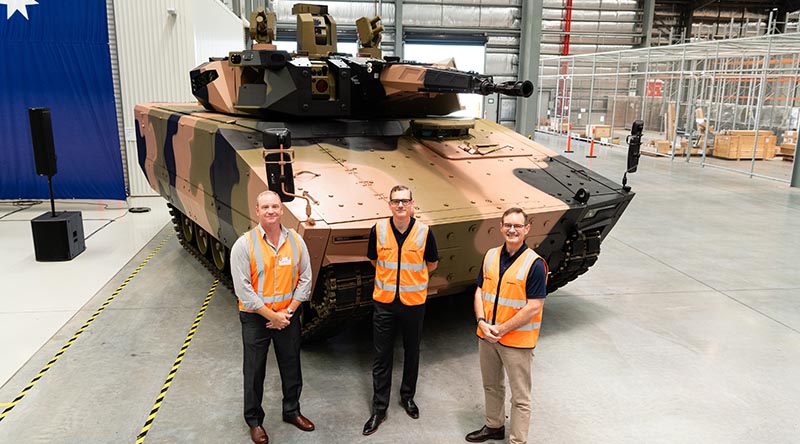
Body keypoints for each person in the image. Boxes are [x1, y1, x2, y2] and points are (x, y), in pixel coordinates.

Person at [231, 190, 316, 444]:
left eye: (275, 207)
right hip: (256, 318)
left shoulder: (296, 242)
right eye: (265, 207)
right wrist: (272, 316)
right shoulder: (244, 244)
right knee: (254, 370)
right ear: (257, 211)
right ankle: (255, 421)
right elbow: (243, 289)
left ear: (282, 211)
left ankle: (292, 411)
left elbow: (306, 279)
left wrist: (287, 312)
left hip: (288, 315)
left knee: (291, 366)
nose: (270, 211)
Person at [465, 207, 548, 444]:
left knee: (520, 397)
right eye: (508, 225)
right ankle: (493, 426)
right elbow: (480, 290)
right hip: (486, 335)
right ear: (501, 227)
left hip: (516, 341)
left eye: (518, 226)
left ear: (526, 229)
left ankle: (517, 441)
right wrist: (482, 322)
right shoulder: (490, 255)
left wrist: (500, 329)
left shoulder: (534, 264)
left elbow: (534, 306)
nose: (512, 230)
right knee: (491, 385)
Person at [362, 185, 439, 436]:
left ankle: (408, 397)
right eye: (396, 201)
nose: (401, 205)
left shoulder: (425, 232)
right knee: (382, 355)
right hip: (384, 302)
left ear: (412, 203)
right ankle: (379, 408)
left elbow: (432, 263)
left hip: (413, 303)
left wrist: (410, 280)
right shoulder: (379, 230)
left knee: (412, 351)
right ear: (389, 205)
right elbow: (373, 259)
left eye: (405, 201)